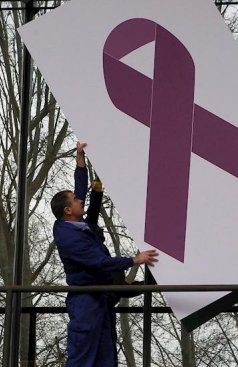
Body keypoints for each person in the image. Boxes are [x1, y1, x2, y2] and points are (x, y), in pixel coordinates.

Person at [52, 142, 158, 367]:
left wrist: (80, 159)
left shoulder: (76, 225)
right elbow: (100, 262)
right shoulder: (71, 238)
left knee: (105, 357)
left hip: (101, 299)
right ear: (68, 210)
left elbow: (80, 189)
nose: (81, 199)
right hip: (87, 300)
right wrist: (134, 260)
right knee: (83, 358)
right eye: (76, 200)